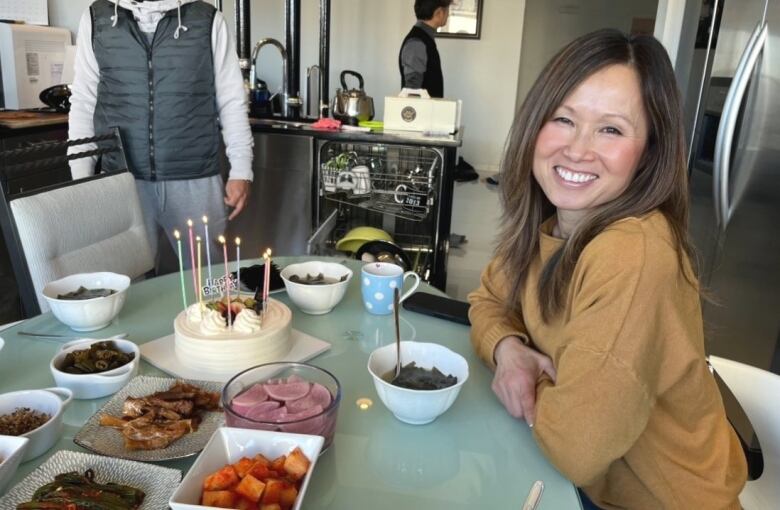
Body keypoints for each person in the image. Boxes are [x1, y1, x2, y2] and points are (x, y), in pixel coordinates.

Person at [468, 29, 747, 509]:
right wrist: (510, 349)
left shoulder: (632, 255)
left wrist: (532, 382)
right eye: (563, 119)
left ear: (649, 152)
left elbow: (577, 446)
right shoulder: (556, 223)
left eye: (611, 129)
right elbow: (488, 301)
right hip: (580, 486)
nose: (577, 150)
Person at [68, 0, 253, 265]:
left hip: (195, 178)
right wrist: (80, 178)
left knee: (210, 285)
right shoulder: (96, 18)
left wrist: (242, 170)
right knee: (128, 286)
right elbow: (84, 100)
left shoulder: (208, 19)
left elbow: (232, 101)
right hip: (123, 180)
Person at [398, 0, 451, 99]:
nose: (448, 15)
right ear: (439, 12)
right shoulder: (416, 43)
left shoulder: (423, 39)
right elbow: (412, 92)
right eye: (448, 10)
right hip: (422, 113)